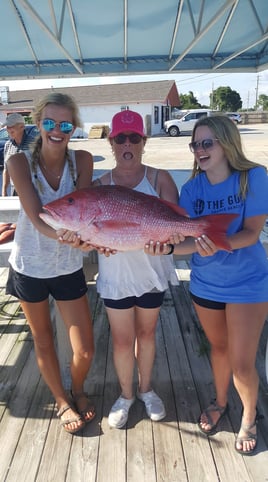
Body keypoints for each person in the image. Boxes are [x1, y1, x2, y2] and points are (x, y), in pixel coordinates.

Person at [146, 114, 268, 455]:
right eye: (195, 144)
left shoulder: (253, 177)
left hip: (247, 284)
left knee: (243, 361)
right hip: (206, 285)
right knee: (219, 348)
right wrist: (168, 247)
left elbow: (251, 234)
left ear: (226, 143)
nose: (199, 150)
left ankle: (249, 416)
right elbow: (187, 241)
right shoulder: (192, 188)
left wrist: (216, 243)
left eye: (207, 143)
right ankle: (220, 400)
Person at [5, 92, 95, 434]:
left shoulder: (82, 160)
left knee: (84, 349)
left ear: (74, 127)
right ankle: (61, 400)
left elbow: (85, 209)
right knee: (42, 339)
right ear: (37, 123)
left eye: (65, 124)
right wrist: (63, 234)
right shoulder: (18, 162)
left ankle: (78, 388)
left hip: (69, 266)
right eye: (49, 122)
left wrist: (83, 235)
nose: (57, 130)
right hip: (30, 266)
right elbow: (37, 215)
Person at [90, 109, 180, 428]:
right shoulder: (99, 184)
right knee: (122, 340)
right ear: (111, 143)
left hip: (150, 274)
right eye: (120, 138)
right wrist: (91, 241)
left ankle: (146, 390)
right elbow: (88, 231)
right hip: (116, 278)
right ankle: (126, 395)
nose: (127, 143)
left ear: (143, 142)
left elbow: (177, 226)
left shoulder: (160, 179)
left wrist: (169, 242)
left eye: (134, 137)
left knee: (147, 333)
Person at [2, 113, 36, 196]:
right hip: (15, 190)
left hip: (32, 190)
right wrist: (4, 190)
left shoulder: (34, 144)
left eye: (11, 126)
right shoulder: (8, 144)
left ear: (22, 127)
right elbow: (6, 169)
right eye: (7, 126)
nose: (8, 129)